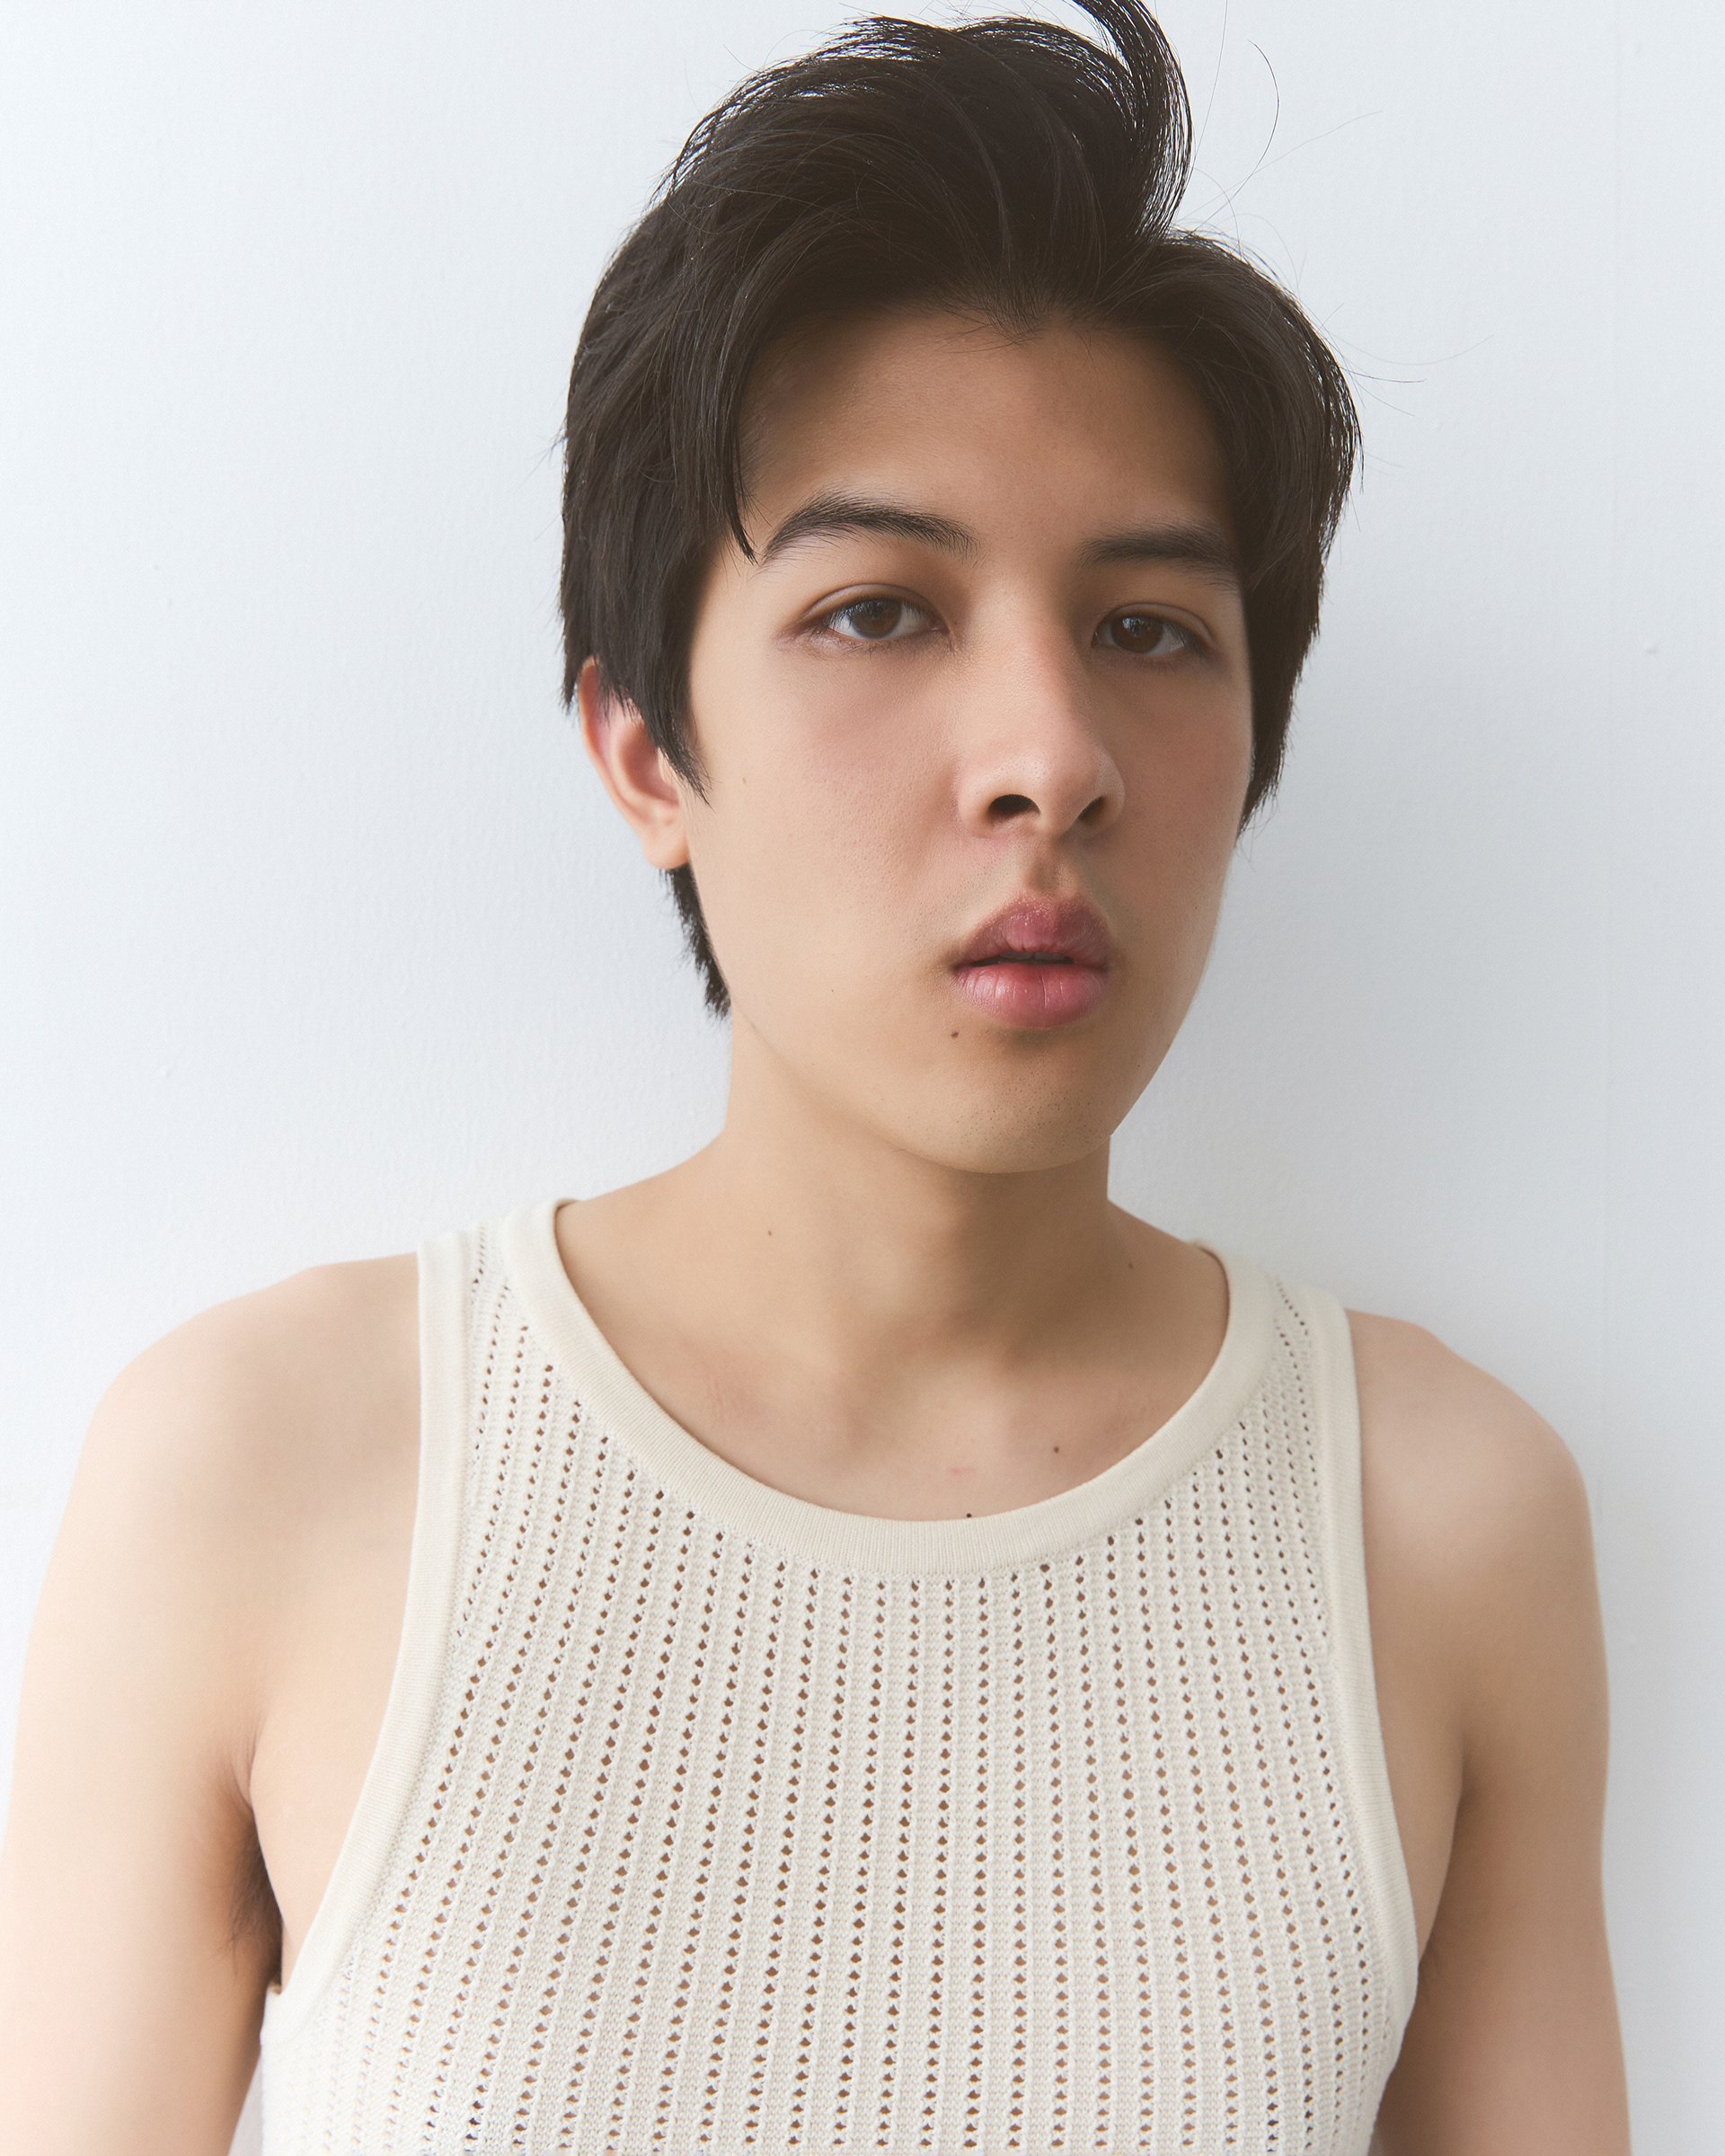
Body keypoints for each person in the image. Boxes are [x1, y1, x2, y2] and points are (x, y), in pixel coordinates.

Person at [0, 2, 1629, 2149]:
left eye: (1150, 628)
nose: (1049, 758)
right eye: (879, 612)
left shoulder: (1437, 1519)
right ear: (642, 752)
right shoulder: (261, 1468)